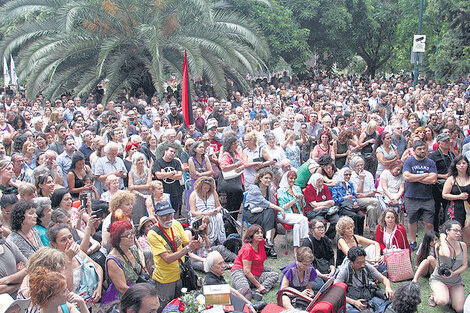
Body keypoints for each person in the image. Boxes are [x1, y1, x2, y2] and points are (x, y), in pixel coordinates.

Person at [147, 201, 200, 309]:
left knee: (182, 304)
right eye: (164, 216)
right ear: (156, 217)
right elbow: (167, 259)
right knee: (165, 307)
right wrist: (188, 248)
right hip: (166, 279)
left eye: (170, 215)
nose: (168, 219)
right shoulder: (153, 234)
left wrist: (197, 243)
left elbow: (186, 244)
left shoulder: (176, 224)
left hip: (181, 273)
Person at [48, 223, 103, 303]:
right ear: (54, 244)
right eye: (63, 240)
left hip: (87, 300)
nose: (69, 242)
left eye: (70, 237)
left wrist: (99, 287)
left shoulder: (78, 253)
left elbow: (98, 267)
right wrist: (68, 259)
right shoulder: (53, 263)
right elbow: (67, 288)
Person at [334, 246, 394, 313]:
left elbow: (383, 279)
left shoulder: (367, 266)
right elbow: (335, 293)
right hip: (350, 301)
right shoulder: (344, 271)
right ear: (351, 262)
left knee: (388, 306)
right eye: (359, 263)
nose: (362, 265)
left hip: (367, 298)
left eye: (363, 262)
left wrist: (388, 287)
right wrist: (354, 302)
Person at [403, 140, 438, 250]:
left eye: (424, 149)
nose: (422, 151)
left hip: (427, 197)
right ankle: (413, 241)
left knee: (428, 223)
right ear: (414, 150)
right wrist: (425, 175)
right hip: (411, 197)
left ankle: (427, 243)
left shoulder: (430, 162)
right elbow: (407, 177)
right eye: (419, 149)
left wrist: (416, 177)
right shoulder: (409, 162)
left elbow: (433, 180)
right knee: (412, 221)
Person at [243, 169, 286, 258]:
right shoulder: (254, 188)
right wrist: (280, 209)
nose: (268, 180)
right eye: (266, 178)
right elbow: (264, 203)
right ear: (260, 178)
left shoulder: (268, 188)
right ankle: (269, 245)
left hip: (262, 212)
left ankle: (268, 242)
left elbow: (268, 204)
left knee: (270, 213)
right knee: (271, 213)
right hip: (251, 213)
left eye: (270, 178)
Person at [230, 224, 279, 301]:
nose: (260, 235)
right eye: (257, 233)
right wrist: (258, 285)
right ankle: (253, 291)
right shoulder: (247, 249)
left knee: (274, 275)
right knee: (245, 289)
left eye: (261, 233)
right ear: (251, 235)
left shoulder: (261, 242)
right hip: (241, 272)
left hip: (256, 273)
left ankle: (257, 292)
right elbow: (246, 271)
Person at [429, 220, 467, 312]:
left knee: (459, 309)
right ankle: (434, 296)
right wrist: (442, 238)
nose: (458, 233)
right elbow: (446, 254)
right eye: (455, 230)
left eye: (460, 231)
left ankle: (449, 293)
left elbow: (464, 265)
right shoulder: (439, 245)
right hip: (439, 279)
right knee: (442, 301)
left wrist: (453, 273)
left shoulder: (463, 245)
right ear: (447, 231)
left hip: (455, 281)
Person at [105, 220, 147, 299]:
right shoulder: (113, 260)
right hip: (125, 298)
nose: (132, 236)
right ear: (117, 238)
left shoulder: (133, 249)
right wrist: (144, 293)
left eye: (132, 233)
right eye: (127, 234)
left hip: (139, 292)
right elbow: (122, 288)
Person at [276, 170, 309, 256]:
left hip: (297, 214)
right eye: (291, 178)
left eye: (294, 179)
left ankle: (296, 249)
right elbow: (284, 207)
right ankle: (306, 242)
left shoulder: (297, 188)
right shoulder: (281, 191)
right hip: (285, 214)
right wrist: (295, 199)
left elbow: (303, 205)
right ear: (286, 179)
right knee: (304, 219)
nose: (293, 180)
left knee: (298, 225)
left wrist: (301, 198)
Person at [349, 156, 381, 239]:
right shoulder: (352, 177)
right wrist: (362, 180)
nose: (360, 167)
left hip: (369, 198)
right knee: (376, 202)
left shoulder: (368, 174)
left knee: (371, 208)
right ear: (353, 167)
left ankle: (372, 232)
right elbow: (358, 194)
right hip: (358, 200)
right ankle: (381, 224)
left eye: (362, 165)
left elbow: (373, 191)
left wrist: (365, 195)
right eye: (358, 166)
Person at [188, 177, 226, 245]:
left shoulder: (213, 193)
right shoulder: (193, 195)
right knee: (207, 219)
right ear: (200, 187)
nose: (207, 190)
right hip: (200, 215)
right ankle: (209, 241)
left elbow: (219, 206)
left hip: (213, 213)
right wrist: (205, 213)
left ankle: (219, 239)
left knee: (219, 217)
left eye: (208, 188)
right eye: (205, 188)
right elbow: (192, 212)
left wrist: (216, 210)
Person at [442, 155, 470, 246]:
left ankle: (464, 255)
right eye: (459, 163)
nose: (461, 165)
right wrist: (459, 196)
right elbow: (444, 195)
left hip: (468, 209)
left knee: (467, 231)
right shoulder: (451, 179)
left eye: (464, 163)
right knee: (453, 231)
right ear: (455, 166)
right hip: (455, 209)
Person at [430, 132, 455, 232]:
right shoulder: (433, 156)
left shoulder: (451, 154)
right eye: (444, 141)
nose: (447, 143)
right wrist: (442, 176)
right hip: (437, 186)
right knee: (436, 209)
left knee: (448, 209)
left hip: (449, 185)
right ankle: (435, 231)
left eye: (448, 140)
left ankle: (447, 229)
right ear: (439, 143)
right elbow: (430, 171)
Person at [301, 219, 335, 288]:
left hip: (326, 269)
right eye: (319, 228)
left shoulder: (326, 239)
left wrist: (332, 270)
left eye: (323, 227)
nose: (322, 229)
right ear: (312, 230)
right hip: (312, 271)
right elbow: (308, 264)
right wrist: (321, 275)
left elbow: (331, 256)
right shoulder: (307, 242)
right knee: (320, 285)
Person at [330, 168, 365, 235]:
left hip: (351, 205)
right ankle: (354, 235)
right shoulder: (336, 186)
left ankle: (361, 235)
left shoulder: (350, 184)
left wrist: (355, 201)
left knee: (361, 215)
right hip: (342, 206)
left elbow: (353, 195)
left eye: (349, 175)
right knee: (354, 216)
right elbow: (334, 200)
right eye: (346, 175)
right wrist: (344, 198)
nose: (348, 176)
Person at [303, 173, 338, 239]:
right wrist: (326, 204)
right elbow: (313, 205)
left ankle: (328, 237)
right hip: (313, 212)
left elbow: (332, 202)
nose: (321, 183)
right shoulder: (309, 188)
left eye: (322, 181)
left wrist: (322, 206)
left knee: (336, 220)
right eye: (318, 182)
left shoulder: (324, 187)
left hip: (326, 210)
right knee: (321, 223)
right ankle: (320, 239)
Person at [0, 214, 27, 297]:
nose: (1, 230)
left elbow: (30, 267)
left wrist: (7, 280)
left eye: (1, 226)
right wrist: (20, 281)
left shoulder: (8, 244)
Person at [153, 143, 183, 217]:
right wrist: (173, 173)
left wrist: (165, 174)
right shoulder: (158, 162)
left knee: (175, 210)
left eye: (174, 152)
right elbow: (158, 175)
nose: (172, 153)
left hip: (175, 191)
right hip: (163, 191)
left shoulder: (176, 162)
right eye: (171, 151)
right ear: (165, 151)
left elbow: (179, 176)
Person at [219, 135, 245, 219]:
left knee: (237, 204)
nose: (236, 145)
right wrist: (235, 165)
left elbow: (241, 163)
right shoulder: (226, 155)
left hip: (238, 182)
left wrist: (241, 166)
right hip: (230, 186)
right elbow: (223, 167)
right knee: (231, 206)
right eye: (234, 143)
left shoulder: (236, 153)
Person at [128, 152, 152, 226]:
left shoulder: (148, 171)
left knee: (148, 215)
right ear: (135, 162)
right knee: (138, 216)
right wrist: (141, 194)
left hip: (147, 195)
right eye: (139, 160)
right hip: (137, 197)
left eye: (142, 159)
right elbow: (130, 188)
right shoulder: (131, 173)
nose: (141, 161)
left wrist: (135, 186)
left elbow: (148, 185)